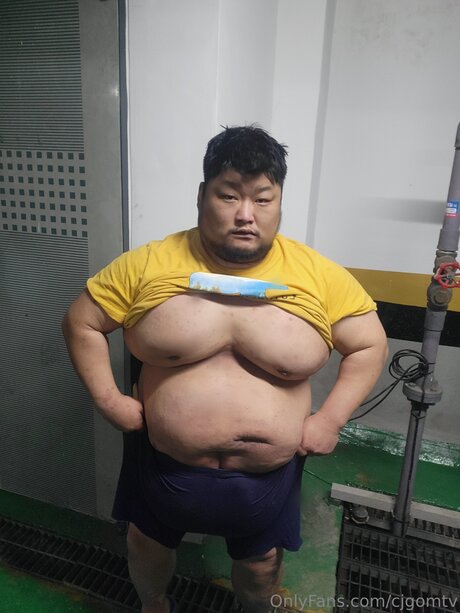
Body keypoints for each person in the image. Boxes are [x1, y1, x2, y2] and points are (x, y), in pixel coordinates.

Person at [62, 126, 388, 613]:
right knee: (145, 543)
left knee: (261, 566)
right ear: (202, 196)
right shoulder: (148, 264)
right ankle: (154, 605)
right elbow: (82, 322)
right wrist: (109, 400)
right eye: (229, 195)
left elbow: (369, 344)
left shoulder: (318, 275)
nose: (245, 215)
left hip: (267, 476)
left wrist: (330, 419)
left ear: (279, 203)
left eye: (262, 199)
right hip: (162, 462)